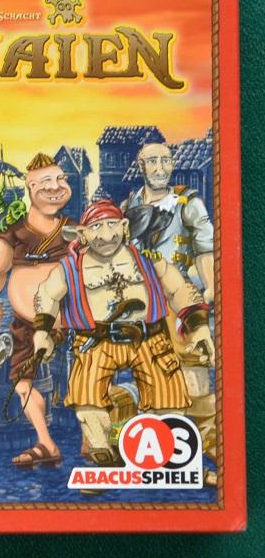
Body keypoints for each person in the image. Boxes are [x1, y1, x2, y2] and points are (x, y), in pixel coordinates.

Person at [32, 200, 214, 466]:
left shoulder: (148, 260)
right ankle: (101, 448)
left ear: (124, 226)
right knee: (86, 393)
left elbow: (179, 290)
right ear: (83, 234)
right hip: (96, 342)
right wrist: (42, 332)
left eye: (112, 225)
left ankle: (164, 446)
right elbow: (47, 295)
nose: (106, 235)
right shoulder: (69, 268)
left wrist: (199, 329)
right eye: (96, 227)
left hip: (148, 339)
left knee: (169, 394)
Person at [0, 153, 73, 468]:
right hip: (26, 325)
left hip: (71, 322)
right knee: (23, 382)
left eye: (61, 179)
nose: (56, 187)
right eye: (46, 182)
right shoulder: (16, 232)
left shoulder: (73, 230)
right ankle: (46, 442)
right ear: (30, 188)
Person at [123, 141, 217, 478]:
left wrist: (210, 286)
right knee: (150, 369)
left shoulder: (188, 203)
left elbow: (205, 248)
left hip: (182, 299)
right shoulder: (130, 205)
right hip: (144, 302)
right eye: (153, 161)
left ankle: (210, 444)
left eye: (165, 160)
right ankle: (163, 445)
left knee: (193, 370)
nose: (160, 167)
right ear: (141, 166)